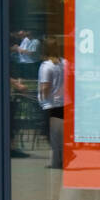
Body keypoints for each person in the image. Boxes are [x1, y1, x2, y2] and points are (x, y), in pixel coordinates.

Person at [37, 36, 67, 168]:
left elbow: (45, 86)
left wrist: (42, 97)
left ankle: (56, 162)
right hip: (63, 103)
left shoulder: (46, 66)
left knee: (51, 135)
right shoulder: (64, 63)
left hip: (49, 104)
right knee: (59, 134)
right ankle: (59, 159)